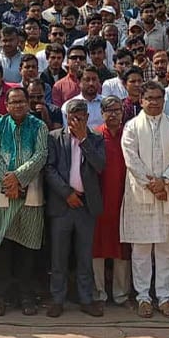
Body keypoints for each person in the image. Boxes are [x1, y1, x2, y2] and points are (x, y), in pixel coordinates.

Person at [120, 81, 169, 319]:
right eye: (149, 98)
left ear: (164, 100)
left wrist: (165, 181)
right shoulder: (131, 127)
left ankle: (165, 297)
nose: (154, 102)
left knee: (167, 250)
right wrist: (152, 185)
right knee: (141, 250)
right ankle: (143, 298)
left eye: (158, 98)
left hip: (168, 193)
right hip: (141, 195)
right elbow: (131, 159)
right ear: (141, 100)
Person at [0, 86, 49, 316]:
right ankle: (0, 297)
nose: (18, 105)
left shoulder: (39, 126)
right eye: (14, 102)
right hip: (1, 196)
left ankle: (26, 297)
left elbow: (40, 155)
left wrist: (18, 178)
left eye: (22, 101)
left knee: (27, 252)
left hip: (30, 196)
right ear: (6, 105)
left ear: (28, 103)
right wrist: (9, 182)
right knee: (0, 250)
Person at [44, 99, 106, 317]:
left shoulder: (96, 138)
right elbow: (49, 169)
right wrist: (67, 193)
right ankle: (57, 299)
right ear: (66, 118)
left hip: (85, 206)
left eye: (80, 118)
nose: (76, 122)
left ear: (87, 117)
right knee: (58, 256)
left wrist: (83, 140)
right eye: (72, 118)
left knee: (84, 256)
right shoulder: (54, 138)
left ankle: (86, 299)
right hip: (62, 204)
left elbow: (99, 165)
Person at [92, 96, 132, 307]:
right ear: (102, 113)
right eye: (109, 110)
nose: (114, 114)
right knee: (96, 249)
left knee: (122, 249)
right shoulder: (95, 136)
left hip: (125, 201)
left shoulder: (130, 136)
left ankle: (121, 294)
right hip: (100, 201)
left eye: (117, 110)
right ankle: (98, 294)